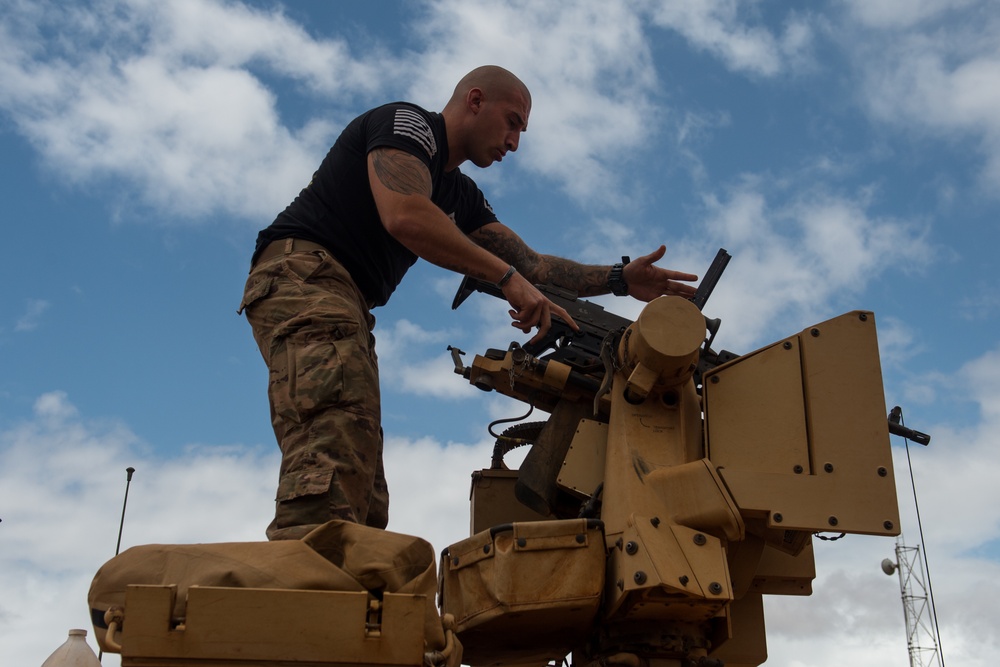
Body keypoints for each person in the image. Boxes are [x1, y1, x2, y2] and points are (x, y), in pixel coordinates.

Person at [239, 65, 698, 541]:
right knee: (333, 433)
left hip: (345, 298)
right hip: (303, 273)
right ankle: (304, 580)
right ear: (475, 101)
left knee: (364, 479)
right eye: (513, 121)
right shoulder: (408, 125)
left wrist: (621, 279)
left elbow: (534, 265)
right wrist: (505, 278)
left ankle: (349, 584)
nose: (515, 142)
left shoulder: (460, 194)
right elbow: (405, 215)